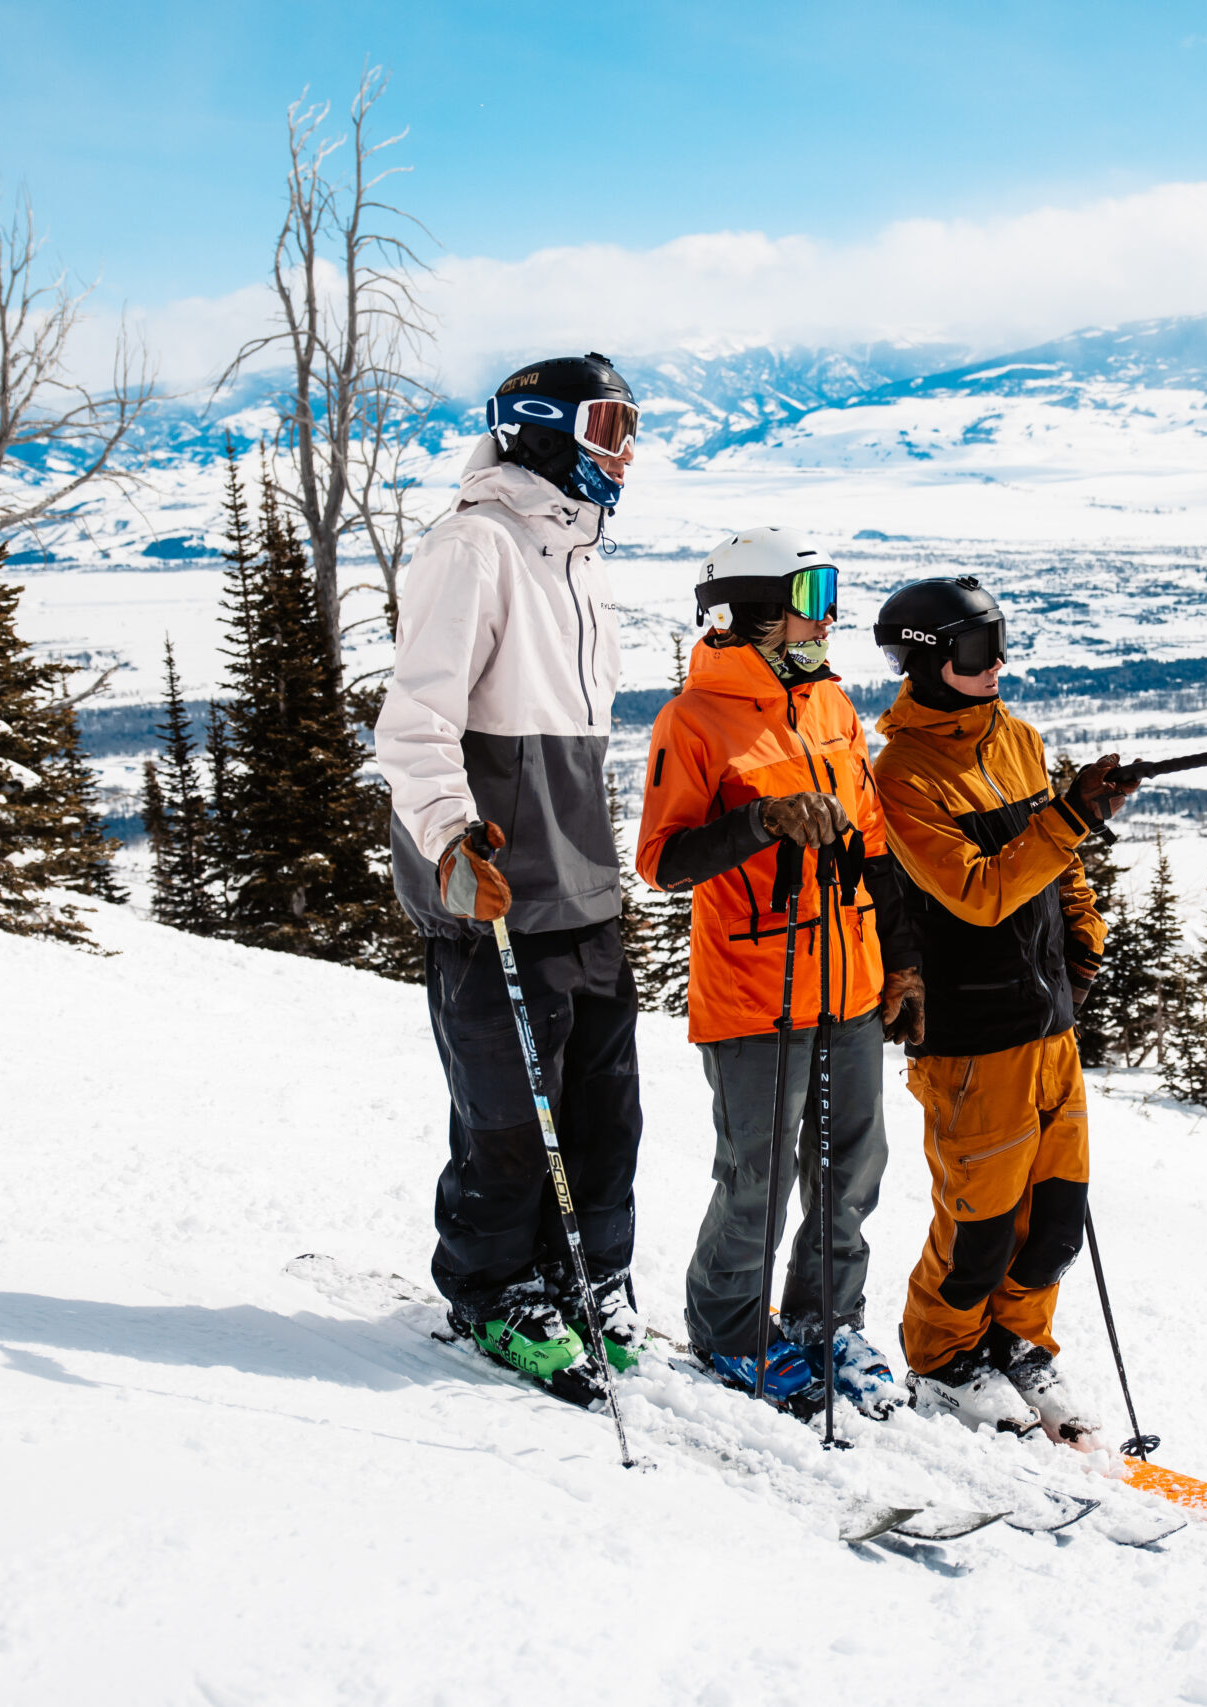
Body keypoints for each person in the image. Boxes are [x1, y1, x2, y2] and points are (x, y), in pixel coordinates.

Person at [376, 352, 645, 1399]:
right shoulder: (475, 546)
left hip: (580, 884)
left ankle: (589, 1276)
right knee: (509, 1117)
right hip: (492, 887)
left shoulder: (577, 559)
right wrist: (450, 838)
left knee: (603, 1111)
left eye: (629, 430)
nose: (625, 453)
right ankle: (495, 1291)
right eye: (609, 427)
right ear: (547, 426)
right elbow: (415, 722)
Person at [636, 528, 926, 1414]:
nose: (827, 617)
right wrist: (761, 822)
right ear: (754, 610)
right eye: (809, 598)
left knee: (851, 1170)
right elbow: (662, 860)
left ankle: (823, 1320)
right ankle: (729, 1332)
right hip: (755, 989)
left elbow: (873, 845)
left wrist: (903, 964)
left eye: (828, 593)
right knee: (756, 1179)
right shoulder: (693, 719)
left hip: (849, 980)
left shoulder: (831, 705)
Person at [868, 576, 1137, 1441]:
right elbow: (979, 892)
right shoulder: (903, 774)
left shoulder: (1017, 738)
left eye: (1001, 643)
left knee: (1054, 1220)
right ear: (926, 660)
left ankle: (1017, 1344)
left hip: (1047, 1023)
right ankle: (945, 1360)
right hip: (973, 1036)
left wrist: (1083, 935)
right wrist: (1069, 816)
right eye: (978, 650)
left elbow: (1059, 864)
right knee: (978, 1228)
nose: (997, 665)